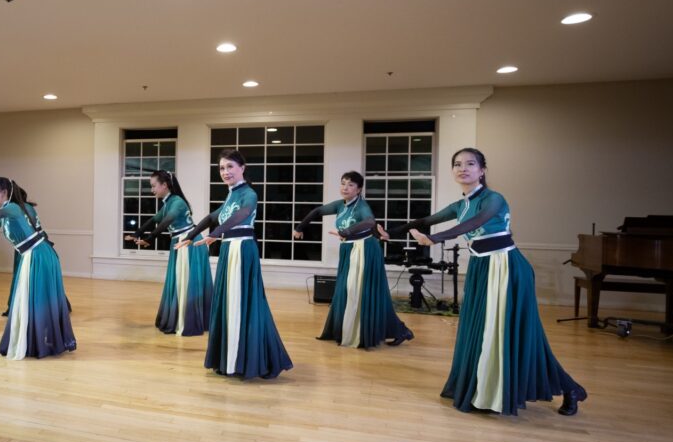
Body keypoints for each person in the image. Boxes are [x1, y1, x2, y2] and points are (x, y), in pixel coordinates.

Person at [383, 148, 587, 416]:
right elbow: (424, 220)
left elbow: (475, 223)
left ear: (482, 170)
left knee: (517, 334)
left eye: (470, 164)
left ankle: (570, 388)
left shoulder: (494, 199)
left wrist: (436, 238)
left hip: (506, 268)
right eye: (457, 164)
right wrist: (386, 229)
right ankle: (482, 388)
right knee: (481, 332)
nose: (462, 168)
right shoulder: (461, 204)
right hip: (482, 267)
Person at [179, 149, 292, 379]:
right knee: (228, 303)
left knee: (242, 303)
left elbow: (243, 214)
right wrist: (191, 236)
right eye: (221, 168)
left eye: (230, 166)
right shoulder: (231, 195)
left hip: (242, 250)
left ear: (242, 168)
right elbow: (213, 217)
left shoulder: (248, 193)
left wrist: (217, 233)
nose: (225, 172)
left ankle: (246, 359)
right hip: (229, 250)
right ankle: (230, 359)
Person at [0, 177, 76, 359]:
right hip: (37, 254)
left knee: (35, 300)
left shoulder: (12, 208)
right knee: (31, 300)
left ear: (4, 193)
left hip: (38, 254)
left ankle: (40, 344)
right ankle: (38, 342)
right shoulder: (11, 211)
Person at [294, 170, 414, 348]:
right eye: (343, 183)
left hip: (365, 249)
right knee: (345, 291)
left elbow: (370, 222)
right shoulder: (341, 205)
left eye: (351, 185)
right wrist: (300, 227)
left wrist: (345, 232)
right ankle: (344, 330)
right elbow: (318, 211)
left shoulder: (362, 206)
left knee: (367, 294)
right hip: (349, 249)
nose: (345, 187)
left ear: (359, 189)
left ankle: (399, 330)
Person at [125, 170, 212, 335]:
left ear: (164, 185)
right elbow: (154, 220)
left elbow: (166, 223)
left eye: (153, 186)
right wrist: (137, 234)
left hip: (188, 243)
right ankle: (180, 316)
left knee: (186, 282)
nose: (152, 190)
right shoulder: (169, 202)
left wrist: (149, 239)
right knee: (179, 281)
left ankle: (189, 320)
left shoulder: (177, 202)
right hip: (179, 243)